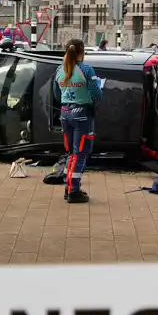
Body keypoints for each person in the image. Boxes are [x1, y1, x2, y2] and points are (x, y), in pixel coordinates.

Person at [54, 39, 104, 204]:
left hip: (65, 113)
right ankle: (73, 190)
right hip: (82, 114)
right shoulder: (86, 70)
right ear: (82, 52)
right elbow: (97, 95)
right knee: (80, 153)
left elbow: (56, 95)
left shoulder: (60, 70)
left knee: (71, 153)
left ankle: (68, 187)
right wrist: (97, 87)